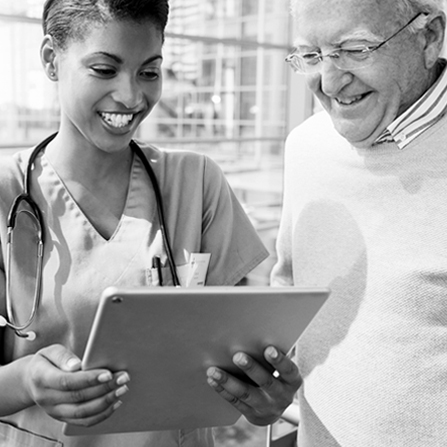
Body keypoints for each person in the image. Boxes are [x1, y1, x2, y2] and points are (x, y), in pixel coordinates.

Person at [0, 0, 301, 446]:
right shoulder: (6, 193)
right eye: (105, 70)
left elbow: (238, 357)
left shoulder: (197, 183)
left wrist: (262, 396)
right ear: (50, 59)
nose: (132, 97)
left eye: (149, 71)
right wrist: (25, 381)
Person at [271, 0, 447, 445]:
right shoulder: (304, 149)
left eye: (355, 49)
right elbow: (289, 300)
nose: (330, 82)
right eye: (311, 55)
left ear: (428, 37)